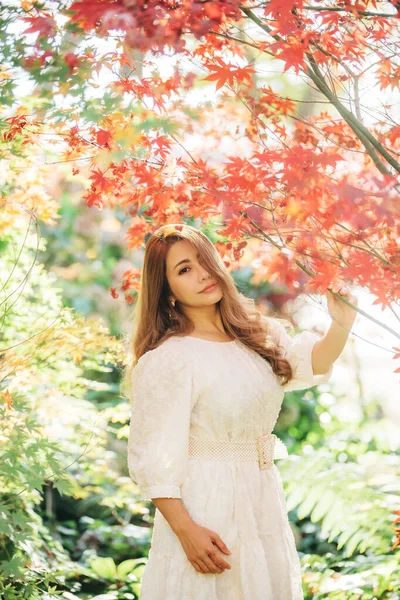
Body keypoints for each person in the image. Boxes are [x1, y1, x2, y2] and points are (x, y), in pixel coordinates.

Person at [124, 223, 357, 600]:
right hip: (204, 504)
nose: (202, 274)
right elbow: (154, 458)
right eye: (184, 269)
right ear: (167, 291)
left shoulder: (256, 334)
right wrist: (186, 531)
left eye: (204, 261)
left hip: (260, 496)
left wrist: (343, 322)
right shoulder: (170, 358)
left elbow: (310, 363)